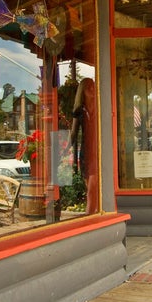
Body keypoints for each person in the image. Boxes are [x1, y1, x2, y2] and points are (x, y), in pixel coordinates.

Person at [69, 78, 99, 214]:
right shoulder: (79, 111)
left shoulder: (100, 107)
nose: (92, 90)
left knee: (92, 191)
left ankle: (89, 218)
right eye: (88, 88)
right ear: (83, 92)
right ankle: (97, 216)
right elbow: (73, 133)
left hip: (98, 151)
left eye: (93, 86)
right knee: (92, 191)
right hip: (86, 153)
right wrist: (61, 151)